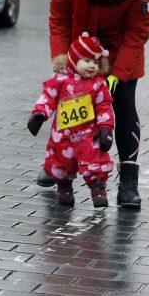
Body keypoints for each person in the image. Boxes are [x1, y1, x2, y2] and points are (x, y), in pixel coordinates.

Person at [36, 0, 149, 209]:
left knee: (123, 107)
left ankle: (128, 180)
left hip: (121, 52)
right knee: (69, 107)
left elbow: (137, 31)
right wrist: (63, 61)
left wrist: (118, 74)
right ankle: (58, 165)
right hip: (80, 54)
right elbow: (59, 20)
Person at [27, 32, 115, 208]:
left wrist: (105, 127)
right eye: (87, 61)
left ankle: (98, 188)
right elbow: (48, 98)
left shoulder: (98, 84)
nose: (92, 66)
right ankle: (64, 186)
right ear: (74, 60)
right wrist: (39, 114)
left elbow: (104, 105)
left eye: (96, 63)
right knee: (62, 162)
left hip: (89, 134)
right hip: (63, 134)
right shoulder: (60, 80)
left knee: (95, 161)